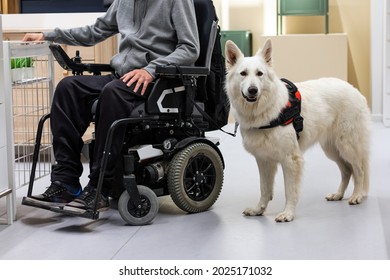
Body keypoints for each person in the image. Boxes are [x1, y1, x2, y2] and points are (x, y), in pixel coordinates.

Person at [23, 0, 200, 211]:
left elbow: (190, 49)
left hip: (156, 81)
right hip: (122, 77)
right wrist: (49, 35)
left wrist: (151, 69)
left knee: (112, 93)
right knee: (68, 87)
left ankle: (100, 188)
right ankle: (65, 182)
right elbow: (95, 31)